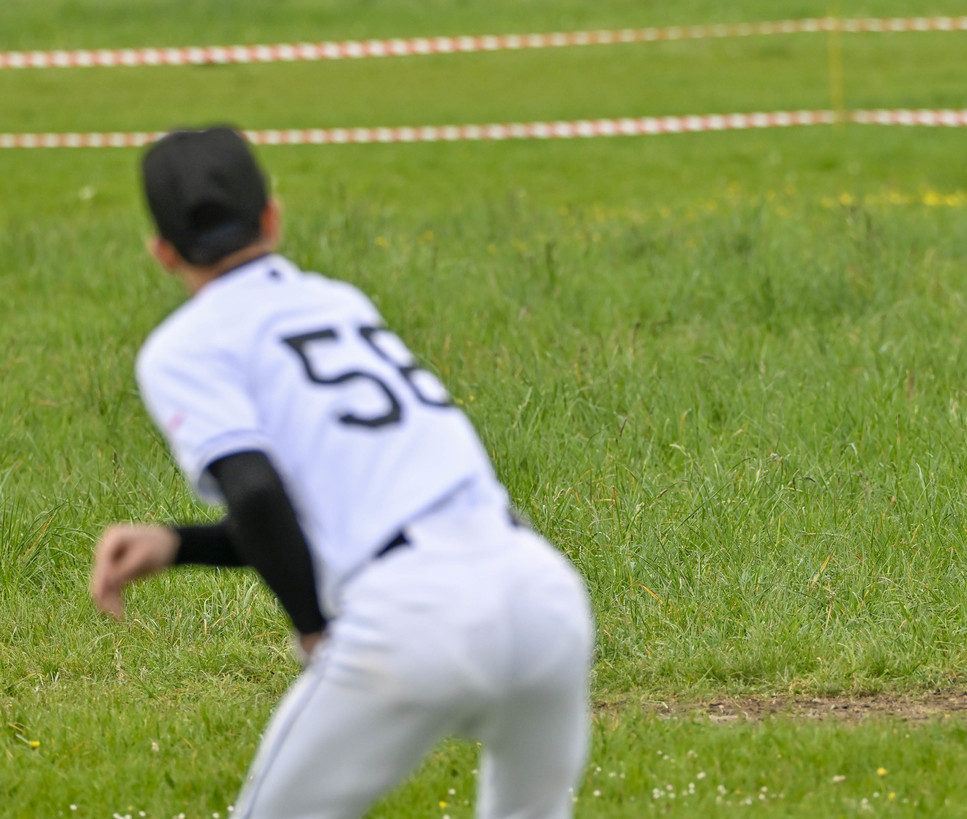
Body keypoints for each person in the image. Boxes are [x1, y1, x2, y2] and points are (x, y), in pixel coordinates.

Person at [90, 127, 592, 818]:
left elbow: (257, 491)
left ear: (163, 251)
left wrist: (313, 628)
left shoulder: (183, 346)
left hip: (414, 616)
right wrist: (178, 544)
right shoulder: (339, 301)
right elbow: (326, 510)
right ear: (273, 217)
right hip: (540, 590)